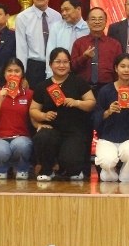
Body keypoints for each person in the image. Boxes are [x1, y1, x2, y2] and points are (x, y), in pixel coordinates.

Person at [30, 47, 96, 181]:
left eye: (65, 62)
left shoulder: (78, 81)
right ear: (50, 64)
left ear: (70, 64)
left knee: (71, 162)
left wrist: (77, 102)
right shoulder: (42, 86)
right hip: (52, 129)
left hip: (75, 131)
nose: (61, 65)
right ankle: (47, 170)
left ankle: (70, 167)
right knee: (42, 137)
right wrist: (43, 116)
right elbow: (33, 110)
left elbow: (91, 103)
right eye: (57, 62)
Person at [93, 53, 129, 182]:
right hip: (108, 137)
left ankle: (126, 167)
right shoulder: (105, 91)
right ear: (116, 68)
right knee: (107, 163)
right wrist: (108, 112)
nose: (126, 70)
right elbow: (96, 117)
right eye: (122, 66)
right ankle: (108, 169)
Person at [0, 58, 33, 180]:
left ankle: (21, 168)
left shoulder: (29, 94)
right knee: (0, 151)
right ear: (4, 74)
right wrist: (0, 99)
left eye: (17, 71)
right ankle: (1, 168)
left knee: (21, 146)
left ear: (22, 74)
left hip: (21, 137)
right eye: (9, 71)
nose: (13, 74)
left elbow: (34, 116)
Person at [15, 0, 62, 89]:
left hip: (54, 65)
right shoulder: (22, 17)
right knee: (34, 101)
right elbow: (21, 48)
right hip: (34, 67)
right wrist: (22, 75)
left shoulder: (57, 16)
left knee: (54, 101)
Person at [46, 0, 90, 77]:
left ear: (78, 9)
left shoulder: (88, 28)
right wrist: (50, 76)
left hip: (83, 74)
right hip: (60, 73)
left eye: (67, 10)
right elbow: (50, 53)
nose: (63, 13)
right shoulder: (57, 27)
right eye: (62, 10)